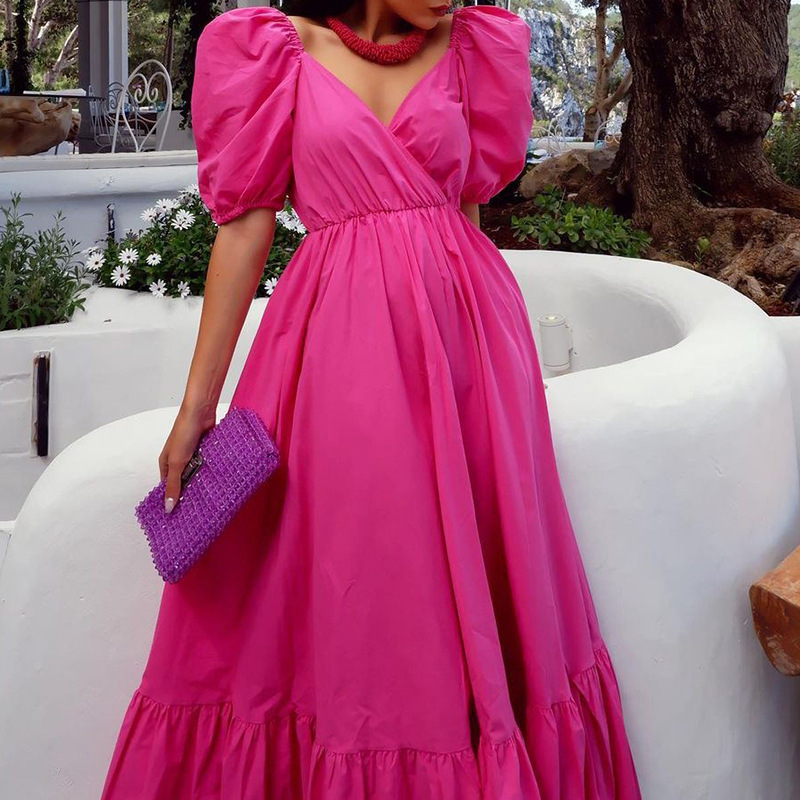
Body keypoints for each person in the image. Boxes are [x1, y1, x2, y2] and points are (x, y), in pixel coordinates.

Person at [100, 2, 642, 797]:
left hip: (471, 349)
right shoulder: (275, 51)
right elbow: (245, 229)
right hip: (339, 351)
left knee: (476, 571)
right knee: (367, 573)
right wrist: (196, 408)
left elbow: (464, 209)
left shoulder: (472, 46)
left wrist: (474, 353)